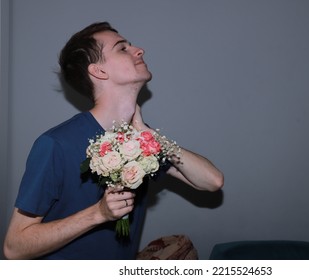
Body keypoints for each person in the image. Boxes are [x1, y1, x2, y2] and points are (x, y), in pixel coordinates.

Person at [3, 22, 224, 260]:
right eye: (122, 48)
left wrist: (146, 133)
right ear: (99, 71)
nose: (139, 50)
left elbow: (212, 181)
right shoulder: (55, 144)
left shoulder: (141, 138)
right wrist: (98, 214)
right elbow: (14, 247)